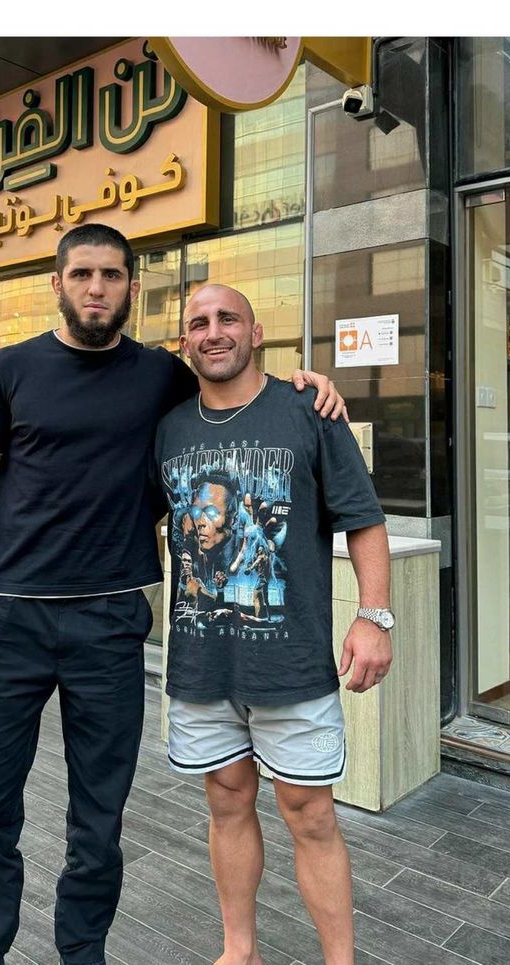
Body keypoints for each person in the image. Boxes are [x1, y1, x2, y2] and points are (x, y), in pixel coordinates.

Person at [0, 223, 347, 965]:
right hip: (11, 619)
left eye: (112, 275)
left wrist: (306, 387)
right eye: (82, 274)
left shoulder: (162, 375)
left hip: (112, 618)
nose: (97, 288)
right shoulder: (10, 368)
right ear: (58, 284)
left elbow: (236, 386)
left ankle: (82, 951)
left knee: (98, 820)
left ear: (131, 286)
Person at [155, 284, 393, 965]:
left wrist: (374, 616)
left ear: (257, 333)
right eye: (199, 322)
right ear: (184, 342)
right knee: (227, 802)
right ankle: (240, 951)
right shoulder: (168, 428)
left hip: (291, 662)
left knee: (310, 814)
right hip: (202, 665)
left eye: (228, 318)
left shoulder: (308, 410)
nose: (214, 331)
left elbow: (363, 518)